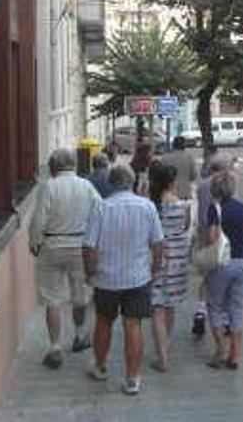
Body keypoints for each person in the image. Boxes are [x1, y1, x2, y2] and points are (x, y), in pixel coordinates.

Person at [83, 164, 164, 396]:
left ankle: (99, 367)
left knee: (103, 322)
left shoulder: (101, 207)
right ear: (132, 183)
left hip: (106, 278)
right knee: (133, 325)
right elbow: (158, 243)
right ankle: (132, 378)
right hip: (137, 277)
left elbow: (88, 247)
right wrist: (155, 268)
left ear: (111, 183)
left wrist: (90, 272)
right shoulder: (147, 206)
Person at [29, 149, 101, 369]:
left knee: (52, 298)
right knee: (80, 294)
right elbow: (99, 212)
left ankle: (55, 347)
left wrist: (34, 242)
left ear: (52, 167)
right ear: (74, 166)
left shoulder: (49, 186)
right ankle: (79, 336)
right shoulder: (86, 186)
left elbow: (39, 219)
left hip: (52, 245)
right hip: (80, 245)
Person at [204, 171, 243, 370]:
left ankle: (221, 349)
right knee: (237, 307)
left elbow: (212, 237)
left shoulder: (214, 209)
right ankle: (235, 354)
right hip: (242, 262)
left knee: (215, 305)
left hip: (222, 262)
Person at [147, 164, 191, 372]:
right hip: (178, 258)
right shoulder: (183, 205)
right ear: (171, 182)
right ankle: (166, 346)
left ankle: (162, 356)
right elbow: (185, 227)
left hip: (157, 257)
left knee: (157, 308)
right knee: (170, 304)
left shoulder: (151, 206)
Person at [192, 152, 235, 337]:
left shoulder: (202, 185)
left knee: (207, 278)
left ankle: (201, 311)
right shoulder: (227, 184)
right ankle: (224, 318)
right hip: (222, 237)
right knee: (224, 279)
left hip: (204, 236)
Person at [160, 136, 198, 201]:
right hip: (185, 192)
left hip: (169, 193)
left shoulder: (165, 158)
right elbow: (193, 176)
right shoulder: (189, 157)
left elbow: (161, 175)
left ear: (173, 145)